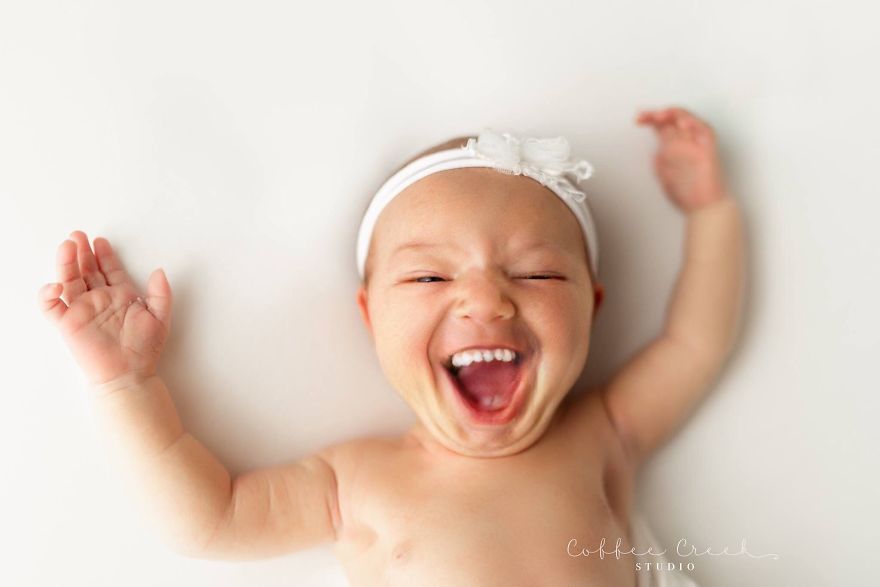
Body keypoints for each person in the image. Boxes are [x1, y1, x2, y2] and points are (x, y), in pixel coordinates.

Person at [38, 106, 744, 586]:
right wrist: (124, 385)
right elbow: (211, 520)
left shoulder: (602, 434)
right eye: (430, 274)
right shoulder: (357, 481)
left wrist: (711, 211)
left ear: (591, 304)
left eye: (536, 272)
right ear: (371, 316)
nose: (485, 300)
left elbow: (696, 341)